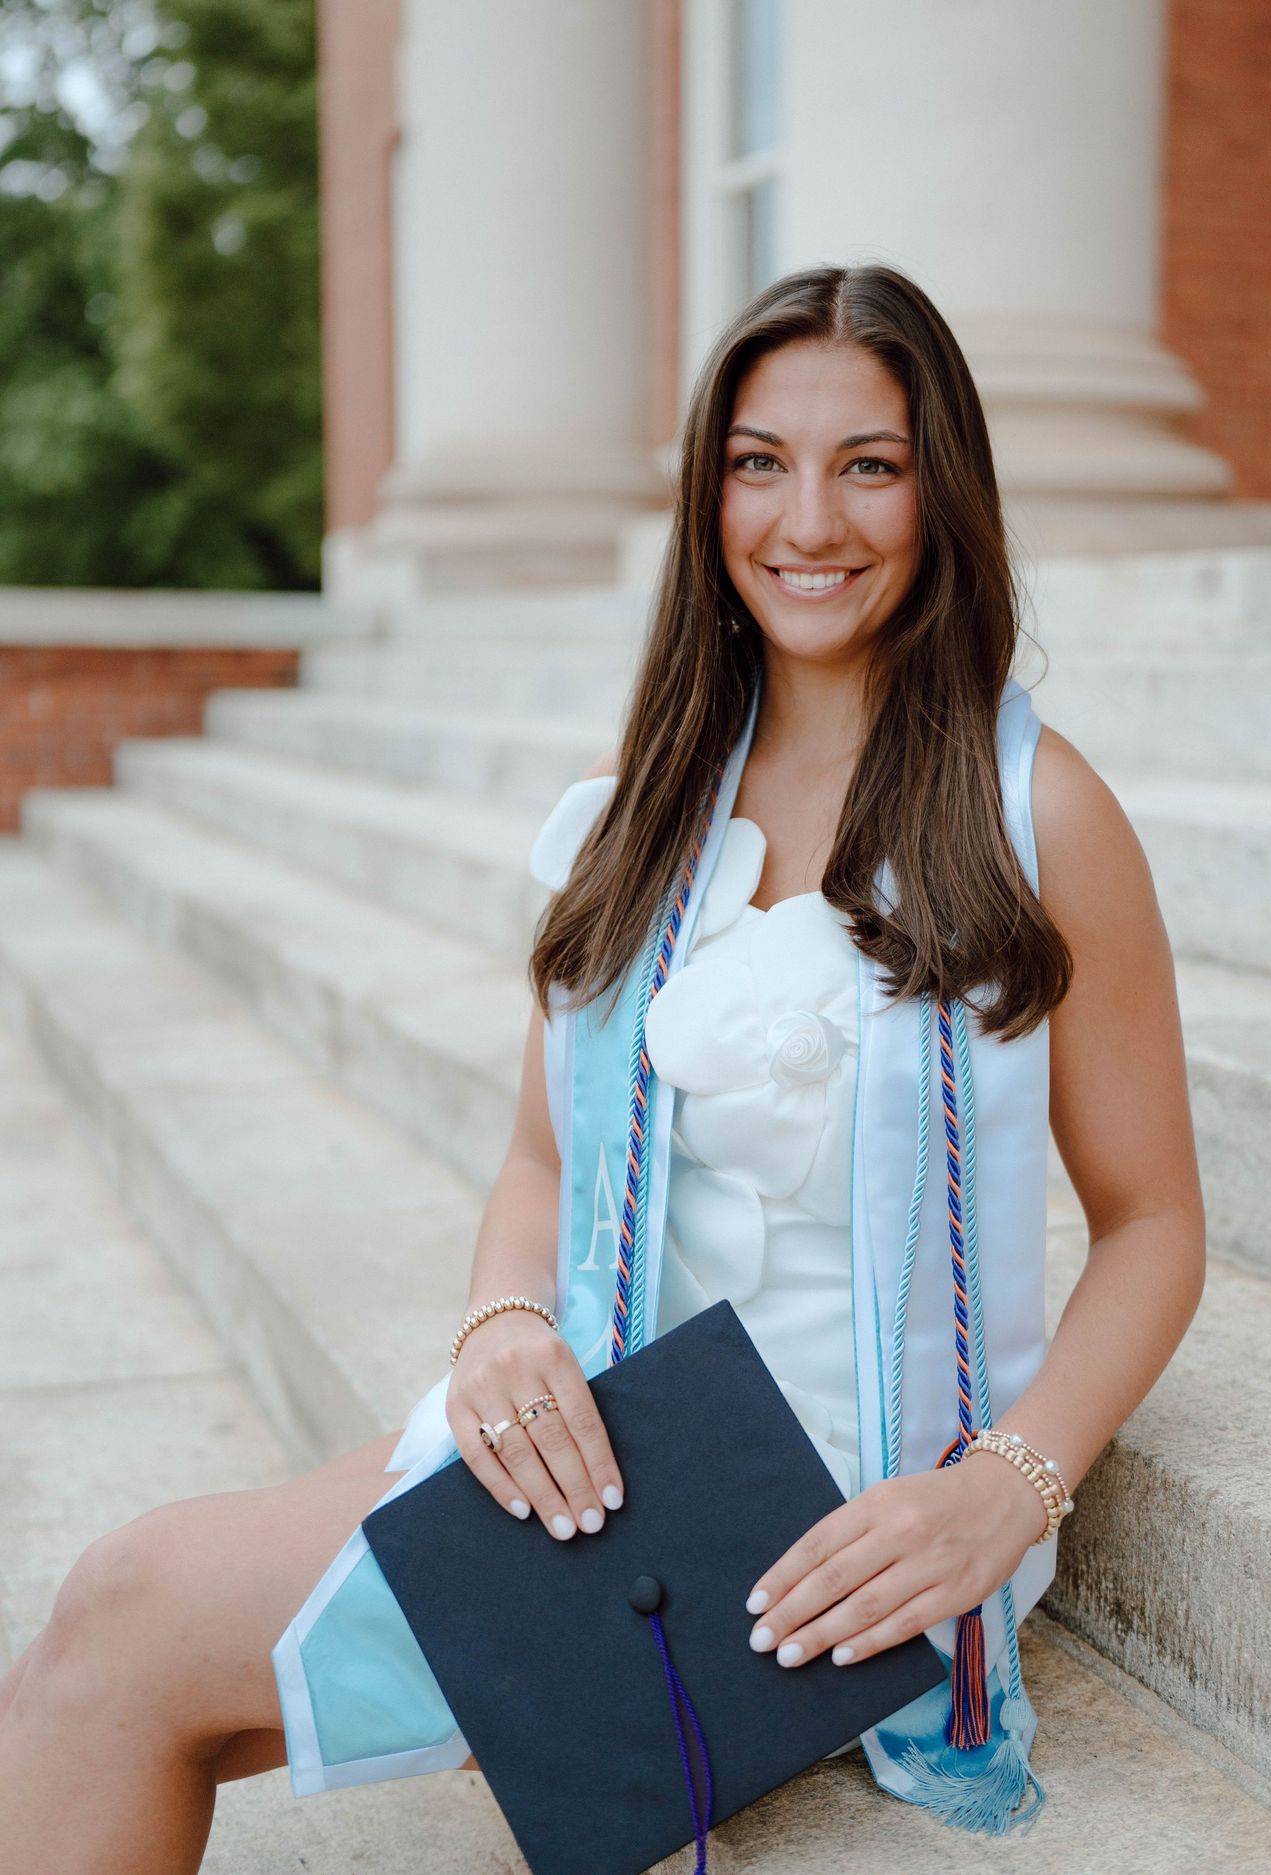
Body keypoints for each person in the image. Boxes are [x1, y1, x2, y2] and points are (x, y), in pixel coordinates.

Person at [0, 262, 1205, 1872]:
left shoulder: (1036, 815)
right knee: (144, 1666)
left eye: (871, 464)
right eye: (760, 462)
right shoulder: (641, 803)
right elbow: (544, 1161)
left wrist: (1008, 1491)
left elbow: (1154, 1225)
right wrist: (502, 1324)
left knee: (123, 1630)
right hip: (612, 1444)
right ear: (709, 491)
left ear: (943, 492)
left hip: (821, 1529)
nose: (810, 520)